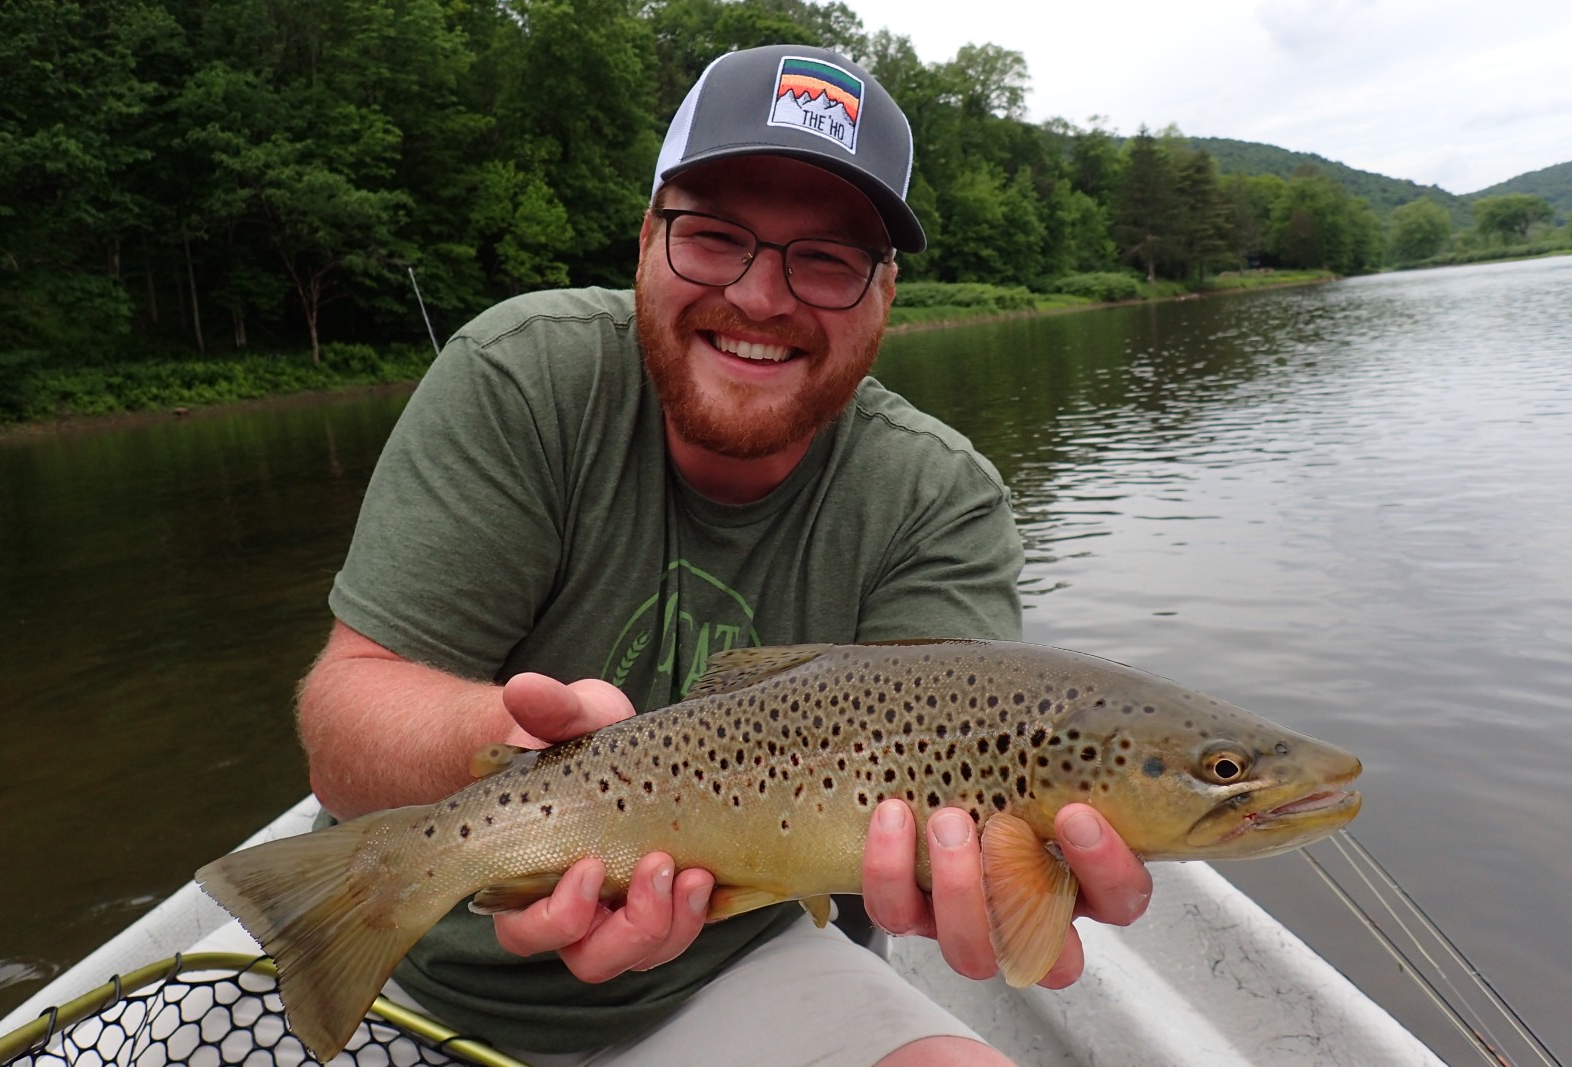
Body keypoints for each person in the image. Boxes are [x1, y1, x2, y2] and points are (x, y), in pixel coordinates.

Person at [297, 43, 1152, 1067]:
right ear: (646, 240)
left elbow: (966, 739)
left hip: (739, 963)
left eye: (827, 259)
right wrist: (512, 742)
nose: (759, 297)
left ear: (886, 296)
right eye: (712, 237)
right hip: (424, 967)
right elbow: (343, 725)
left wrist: (1019, 881)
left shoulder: (938, 496)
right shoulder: (520, 378)